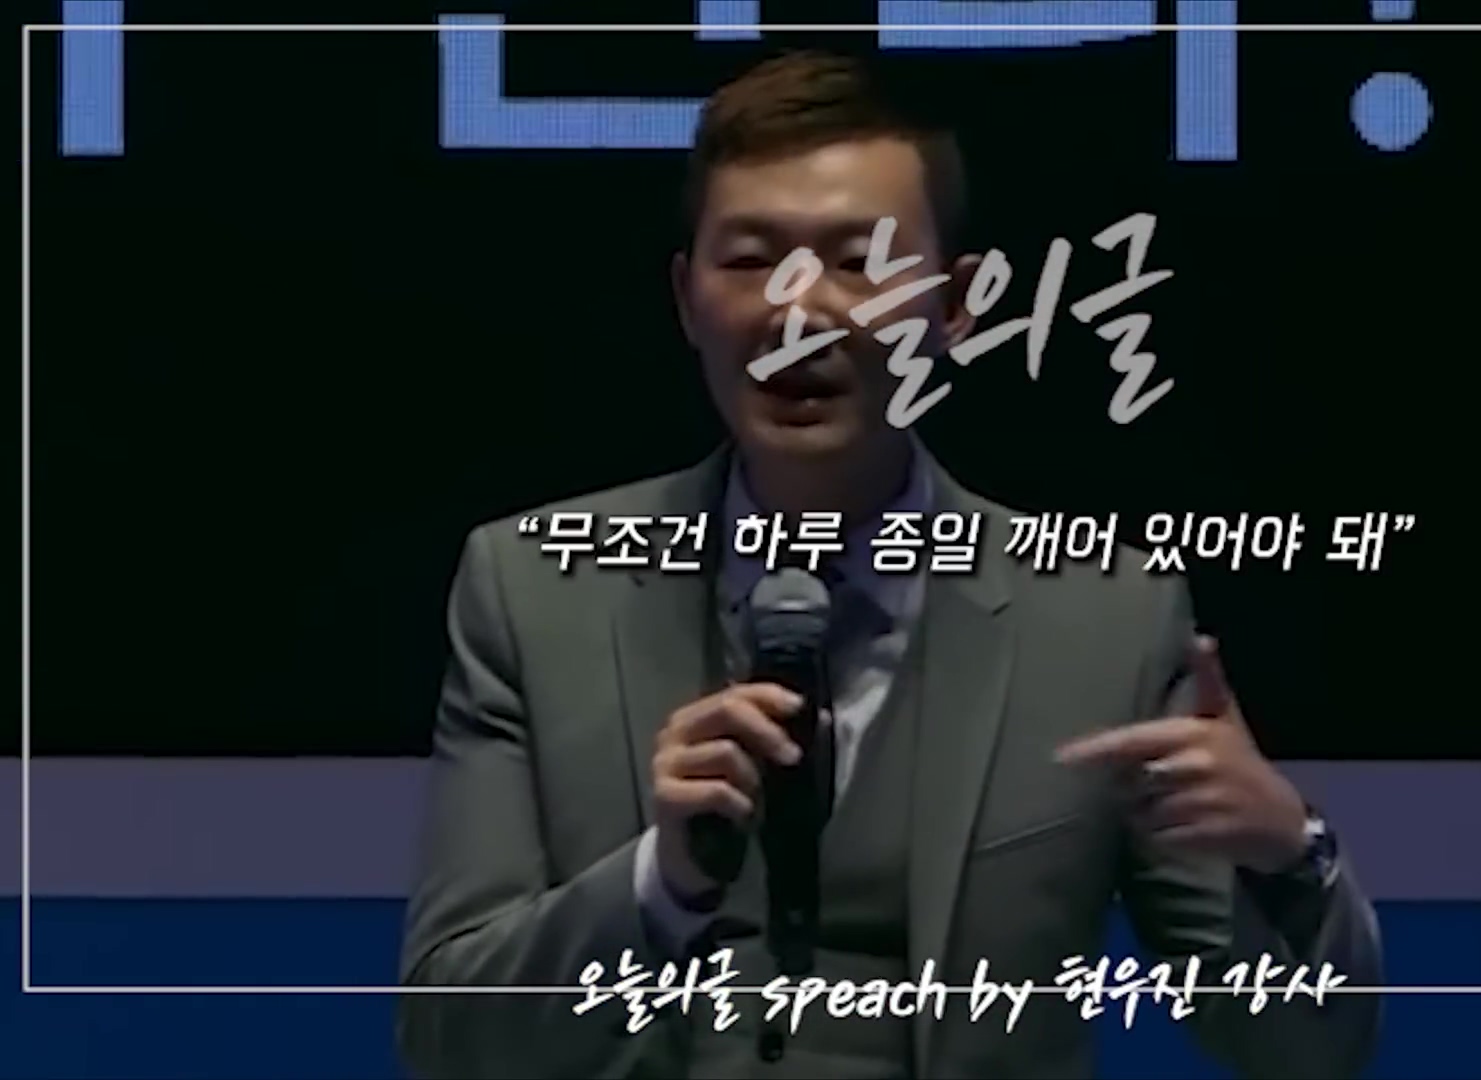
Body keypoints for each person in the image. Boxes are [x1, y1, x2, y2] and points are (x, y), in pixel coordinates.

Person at [397, 50, 1383, 1080]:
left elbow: (1302, 1050)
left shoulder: (1106, 616)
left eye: (860, 261)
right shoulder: (534, 591)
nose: (797, 313)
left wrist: (1294, 852)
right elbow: (451, 1037)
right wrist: (661, 882)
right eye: (750, 260)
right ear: (686, 300)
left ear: (955, 306)